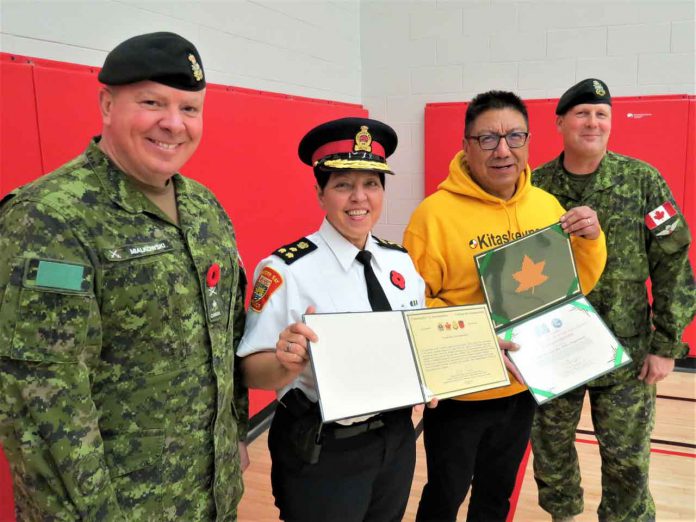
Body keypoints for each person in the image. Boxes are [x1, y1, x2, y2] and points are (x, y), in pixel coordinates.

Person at [0, 32, 249, 520]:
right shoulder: (50, 218)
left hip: (211, 495)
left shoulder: (204, 209)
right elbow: (43, 400)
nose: (173, 124)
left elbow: (225, 340)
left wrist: (234, 434)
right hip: (115, 507)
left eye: (190, 108)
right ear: (107, 104)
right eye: (152, 102)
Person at [403, 90, 608, 522]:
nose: (503, 150)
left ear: (529, 142)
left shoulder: (545, 205)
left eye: (515, 136)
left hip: (523, 384)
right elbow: (415, 305)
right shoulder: (433, 216)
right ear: (466, 146)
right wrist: (479, 339)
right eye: (487, 139)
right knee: (446, 492)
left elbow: (571, 288)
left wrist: (592, 241)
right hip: (464, 387)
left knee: (497, 494)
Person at [238, 117, 429, 521]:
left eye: (372, 184)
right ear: (320, 193)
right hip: (324, 447)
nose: (359, 198)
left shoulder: (401, 263)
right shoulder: (285, 270)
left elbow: (418, 341)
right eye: (343, 184)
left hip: (396, 439)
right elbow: (250, 371)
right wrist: (284, 361)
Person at [530, 78, 696, 522]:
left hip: (627, 351)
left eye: (602, 114)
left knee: (627, 460)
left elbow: (673, 263)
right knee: (551, 452)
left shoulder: (642, 180)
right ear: (561, 122)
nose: (593, 122)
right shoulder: (536, 187)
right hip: (554, 348)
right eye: (582, 113)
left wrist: (667, 345)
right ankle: (562, 516)